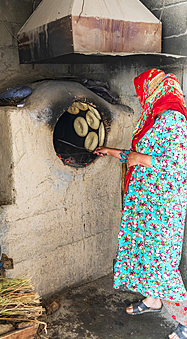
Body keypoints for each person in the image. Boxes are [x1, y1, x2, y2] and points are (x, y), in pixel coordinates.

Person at [94, 68, 187, 339]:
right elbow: (143, 153)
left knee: (161, 263)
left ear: (156, 89)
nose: (141, 96)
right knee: (146, 254)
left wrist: (139, 160)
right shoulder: (156, 115)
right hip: (146, 201)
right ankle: (153, 300)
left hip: (162, 205)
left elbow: (178, 166)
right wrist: (112, 152)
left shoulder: (173, 118)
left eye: (143, 91)